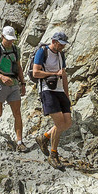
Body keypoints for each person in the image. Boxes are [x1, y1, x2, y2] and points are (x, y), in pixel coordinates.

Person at [31, 30, 73, 168]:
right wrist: (54, 73)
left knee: (67, 123)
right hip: (47, 90)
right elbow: (36, 72)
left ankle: (44, 138)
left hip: (60, 90)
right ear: (54, 41)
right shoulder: (42, 51)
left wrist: (66, 94)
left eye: (63, 45)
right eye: (60, 44)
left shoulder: (61, 54)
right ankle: (53, 155)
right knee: (60, 123)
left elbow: (64, 74)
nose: (62, 47)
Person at [0, 25, 26, 149]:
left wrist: (23, 84)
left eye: (12, 39)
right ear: (2, 37)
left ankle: (19, 142)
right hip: (0, 85)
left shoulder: (16, 50)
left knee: (17, 114)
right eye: (8, 39)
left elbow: (19, 67)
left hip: (13, 85)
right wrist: (1, 77)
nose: (10, 42)